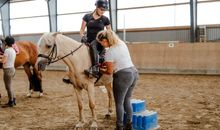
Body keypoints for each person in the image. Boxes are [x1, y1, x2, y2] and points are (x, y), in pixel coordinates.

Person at [97, 30, 139, 130]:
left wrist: (100, 70)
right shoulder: (121, 43)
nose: (101, 44)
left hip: (122, 76)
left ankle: (119, 126)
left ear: (105, 40)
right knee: (127, 100)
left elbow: (109, 72)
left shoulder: (109, 52)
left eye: (101, 42)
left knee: (119, 103)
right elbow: (119, 60)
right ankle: (129, 125)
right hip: (134, 72)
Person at [80, 0, 111, 78]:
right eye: (101, 9)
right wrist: (82, 36)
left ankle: (95, 68)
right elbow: (82, 30)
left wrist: (105, 39)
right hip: (87, 40)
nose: (103, 11)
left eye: (104, 10)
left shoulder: (105, 19)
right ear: (96, 7)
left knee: (93, 43)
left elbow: (110, 32)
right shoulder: (87, 16)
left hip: (99, 42)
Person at [0, 36, 16, 107]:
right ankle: (13, 99)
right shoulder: (13, 50)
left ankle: (11, 102)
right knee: (10, 85)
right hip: (12, 69)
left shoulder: (6, 50)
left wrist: (1, 59)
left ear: (6, 43)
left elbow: (3, 61)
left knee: (8, 87)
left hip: (7, 70)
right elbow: (6, 57)